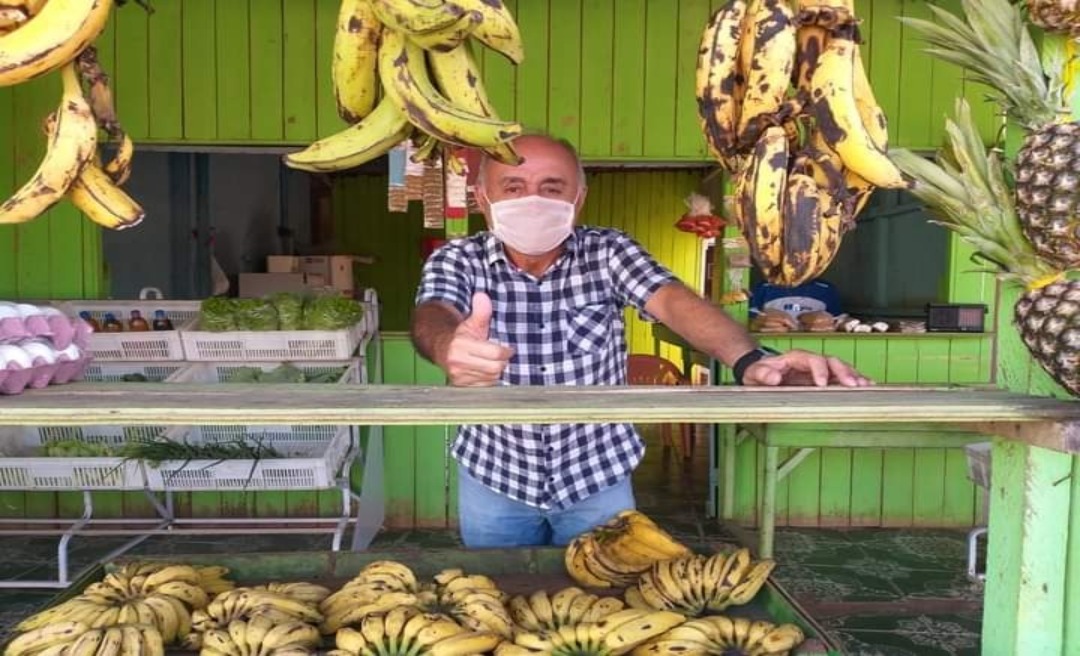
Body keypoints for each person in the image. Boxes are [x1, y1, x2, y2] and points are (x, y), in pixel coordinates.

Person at [410, 134, 871, 549]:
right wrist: (448, 344)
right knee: (497, 602)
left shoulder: (608, 252)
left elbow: (673, 303)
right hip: (496, 478)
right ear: (482, 198)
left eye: (552, 188)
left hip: (597, 480)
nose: (532, 200)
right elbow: (433, 312)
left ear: (579, 198)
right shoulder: (459, 258)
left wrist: (749, 359)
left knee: (609, 610)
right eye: (512, 187)